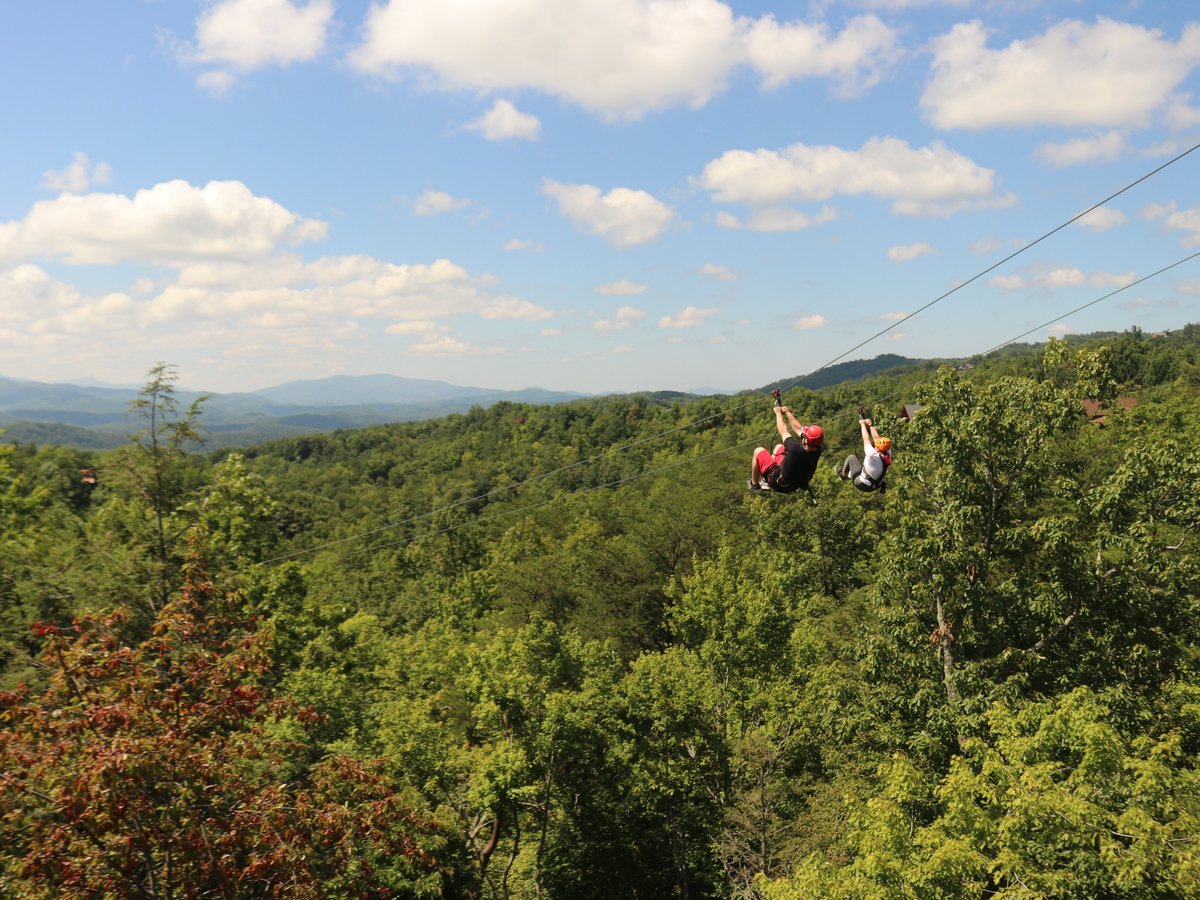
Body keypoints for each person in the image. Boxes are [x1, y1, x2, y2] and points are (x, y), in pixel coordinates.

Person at [749, 394, 824, 494]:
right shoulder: (817, 450)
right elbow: (799, 429)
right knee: (779, 447)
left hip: (778, 483)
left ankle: (754, 484)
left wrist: (778, 413)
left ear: (806, 440)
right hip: (792, 485)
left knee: (758, 451)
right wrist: (787, 412)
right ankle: (765, 480)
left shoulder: (795, 449)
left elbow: (783, 430)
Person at [835, 409, 892, 492]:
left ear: (878, 448)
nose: (875, 446)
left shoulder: (872, 454)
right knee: (861, 468)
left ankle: (843, 475)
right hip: (875, 485)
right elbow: (877, 438)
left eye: (876, 446)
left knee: (851, 457)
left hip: (862, 484)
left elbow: (866, 438)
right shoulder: (888, 452)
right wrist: (870, 424)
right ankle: (851, 474)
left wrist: (862, 424)